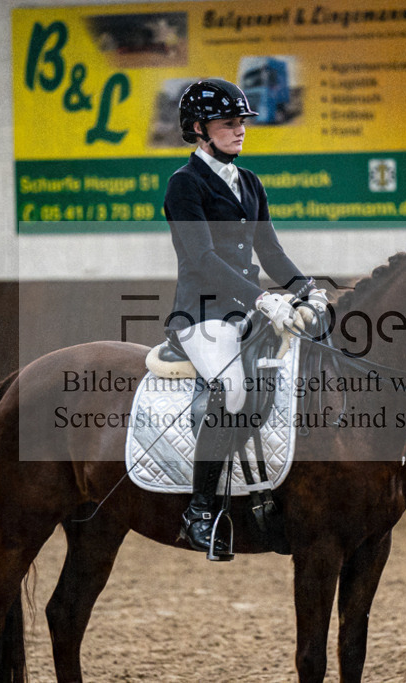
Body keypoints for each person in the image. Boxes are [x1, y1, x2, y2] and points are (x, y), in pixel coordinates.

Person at [163, 78, 327, 556]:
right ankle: (199, 510)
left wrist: (306, 291)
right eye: (228, 123)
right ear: (199, 129)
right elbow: (203, 259)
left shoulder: (250, 182)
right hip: (201, 314)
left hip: (249, 309)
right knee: (232, 387)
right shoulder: (184, 185)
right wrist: (263, 299)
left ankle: (265, 489)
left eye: (242, 123)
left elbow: (270, 250)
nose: (240, 131)